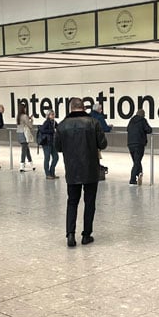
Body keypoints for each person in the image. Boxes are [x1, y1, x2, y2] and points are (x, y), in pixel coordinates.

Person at [55, 98, 108, 247]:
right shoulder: (93, 122)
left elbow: (57, 147)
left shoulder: (62, 125)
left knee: (72, 202)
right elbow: (103, 144)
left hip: (72, 169)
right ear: (83, 107)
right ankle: (86, 235)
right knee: (89, 202)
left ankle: (70, 235)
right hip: (91, 169)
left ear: (71, 108)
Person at [126, 109, 152, 185]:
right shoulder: (143, 120)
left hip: (130, 144)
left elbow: (127, 129)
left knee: (136, 161)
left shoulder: (131, 120)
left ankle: (140, 174)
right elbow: (149, 130)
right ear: (143, 115)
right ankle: (132, 179)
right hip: (139, 144)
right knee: (137, 162)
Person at [39, 110, 59, 179]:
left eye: (53, 114)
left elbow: (58, 127)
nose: (53, 115)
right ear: (48, 115)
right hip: (46, 143)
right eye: (51, 114)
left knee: (56, 157)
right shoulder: (46, 122)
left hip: (52, 142)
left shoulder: (54, 122)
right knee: (47, 158)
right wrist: (52, 131)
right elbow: (42, 130)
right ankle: (47, 174)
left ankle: (52, 172)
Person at [16, 103, 35, 172]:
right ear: (24, 108)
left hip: (19, 133)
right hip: (24, 134)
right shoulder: (24, 116)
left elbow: (22, 122)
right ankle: (22, 166)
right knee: (24, 150)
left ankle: (32, 165)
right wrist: (31, 120)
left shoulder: (18, 116)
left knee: (26, 150)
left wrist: (28, 118)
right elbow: (30, 126)